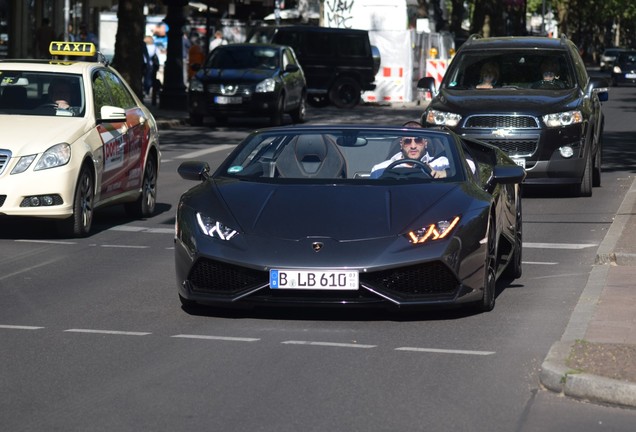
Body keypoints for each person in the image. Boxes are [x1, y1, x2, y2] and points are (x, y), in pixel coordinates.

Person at [370, 134, 450, 179]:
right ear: (401, 144)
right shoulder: (379, 169)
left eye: (418, 140)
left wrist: (446, 173)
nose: (413, 146)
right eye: (407, 141)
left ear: (425, 143)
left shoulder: (441, 164)